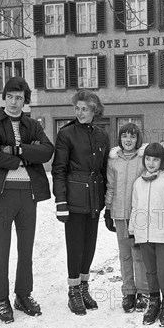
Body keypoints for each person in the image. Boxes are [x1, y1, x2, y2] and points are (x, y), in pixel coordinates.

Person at [0, 76, 54, 324]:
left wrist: (17, 150)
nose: (14, 102)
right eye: (10, 96)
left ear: (25, 100)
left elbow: (47, 151)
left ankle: (23, 295)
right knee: (0, 249)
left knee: (26, 249)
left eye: (19, 98)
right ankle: (0, 298)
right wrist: (25, 157)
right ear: (4, 97)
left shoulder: (32, 125)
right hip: (1, 193)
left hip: (28, 193)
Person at [51, 90, 110, 316]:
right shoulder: (66, 134)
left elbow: (104, 169)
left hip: (94, 198)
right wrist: (61, 201)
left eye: (84, 109)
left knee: (89, 245)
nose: (80, 113)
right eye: (77, 108)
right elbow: (59, 170)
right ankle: (73, 290)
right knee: (75, 246)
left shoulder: (102, 135)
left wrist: (107, 200)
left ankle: (84, 287)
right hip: (74, 198)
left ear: (94, 110)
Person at [128, 142, 164, 327]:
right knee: (150, 270)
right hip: (144, 234)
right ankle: (154, 301)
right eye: (148, 159)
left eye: (156, 159)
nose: (151, 163)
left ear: (162, 161)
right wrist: (132, 232)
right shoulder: (138, 182)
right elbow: (135, 208)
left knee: (162, 270)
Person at [104, 123, 150, 313]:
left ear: (137, 139)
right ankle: (128, 291)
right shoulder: (114, 160)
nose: (128, 140)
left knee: (139, 255)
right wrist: (108, 209)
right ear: (120, 139)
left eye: (132, 136)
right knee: (125, 255)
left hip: (138, 215)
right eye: (124, 136)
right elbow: (111, 186)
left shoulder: (142, 159)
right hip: (120, 214)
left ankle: (143, 291)